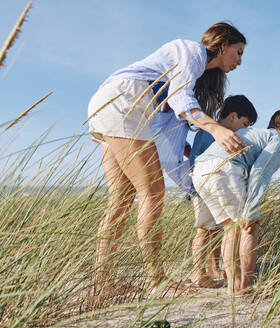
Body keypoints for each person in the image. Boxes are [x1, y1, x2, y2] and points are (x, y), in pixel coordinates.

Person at [87, 22, 247, 297]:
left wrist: (190, 156)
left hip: (111, 105)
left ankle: (101, 286)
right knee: (153, 194)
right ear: (222, 44)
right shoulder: (191, 52)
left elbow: (168, 133)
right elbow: (180, 100)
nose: (240, 61)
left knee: (121, 201)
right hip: (125, 103)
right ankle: (157, 280)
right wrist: (215, 128)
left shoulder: (193, 72)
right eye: (239, 51)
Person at [192, 106, 280, 295]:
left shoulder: (255, 134)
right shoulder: (277, 141)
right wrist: (252, 211)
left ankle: (232, 283)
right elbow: (259, 173)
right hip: (224, 168)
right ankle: (243, 285)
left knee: (230, 227)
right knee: (247, 227)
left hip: (200, 170)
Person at [189, 95, 257, 288]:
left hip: (206, 185)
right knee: (204, 229)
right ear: (233, 116)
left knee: (216, 230)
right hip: (204, 187)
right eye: (245, 124)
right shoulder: (214, 133)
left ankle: (213, 268)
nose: (245, 130)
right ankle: (198, 273)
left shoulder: (211, 131)